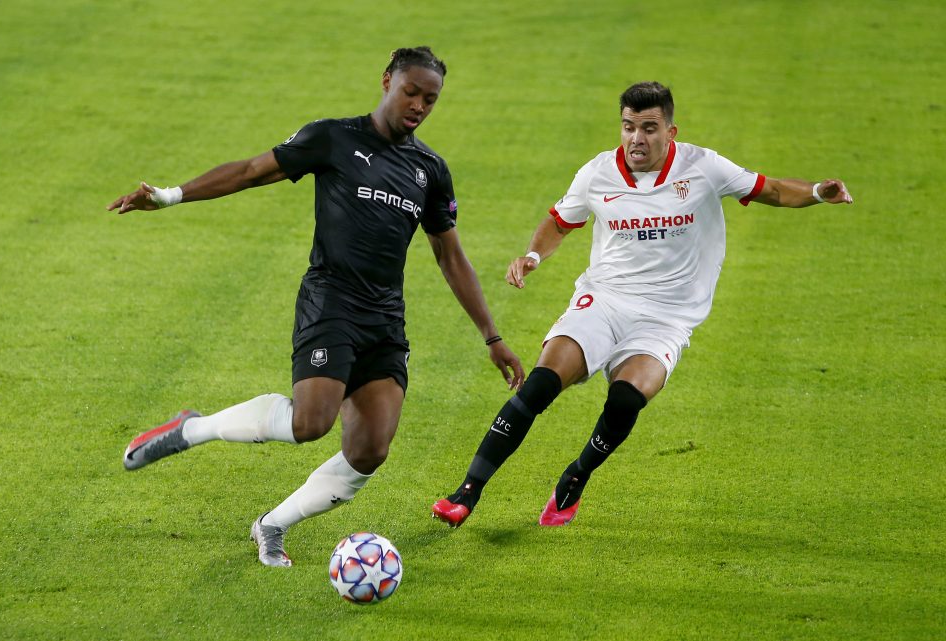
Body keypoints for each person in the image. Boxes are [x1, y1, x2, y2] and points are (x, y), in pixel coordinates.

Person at [107, 46, 525, 566]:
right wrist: (169, 196)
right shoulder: (334, 138)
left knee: (370, 449)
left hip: (384, 319)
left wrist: (492, 336)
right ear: (386, 81)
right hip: (330, 301)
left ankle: (272, 524)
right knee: (311, 423)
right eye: (411, 92)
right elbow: (250, 171)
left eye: (430, 99)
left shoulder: (430, 170)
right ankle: (191, 428)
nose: (419, 105)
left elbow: (450, 255)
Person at [431, 81, 852, 528]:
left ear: (670, 131)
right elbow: (560, 222)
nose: (637, 138)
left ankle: (577, 475)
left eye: (649, 128)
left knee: (626, 399)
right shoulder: (597, 172)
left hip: (668, 317)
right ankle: (467, 493)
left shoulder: (703, 167)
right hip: (605, 301)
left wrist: (817, 193)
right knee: (539, 385)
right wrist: (533, 256)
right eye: (629, 127)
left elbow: (771, 190)